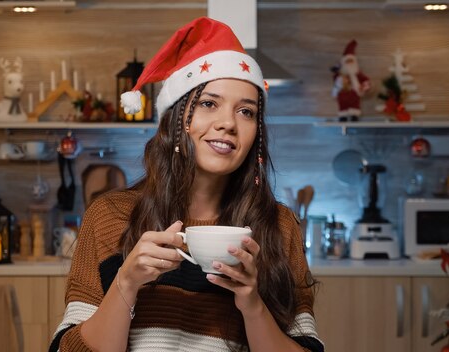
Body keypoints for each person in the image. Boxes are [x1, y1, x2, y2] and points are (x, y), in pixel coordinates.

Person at [49, 17, 324, 352]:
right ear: (177, 120)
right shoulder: (110, 217)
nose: (228, 124)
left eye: (246, 112)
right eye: (209, 103)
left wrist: (252, 305)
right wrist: (126, 282)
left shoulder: (278, 227)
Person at [331, 40, 371, 122]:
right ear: (344, 63)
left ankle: (354, 116)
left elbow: (366, 81)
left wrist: (364, 87)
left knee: (355, 105)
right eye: (347, 62)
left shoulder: (357, 74)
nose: (350, 64)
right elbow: (335, 79)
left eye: (351, 61)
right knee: (343, 106)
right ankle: (343, 116)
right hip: (342, 93)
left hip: (354, 94)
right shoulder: (340, 75)